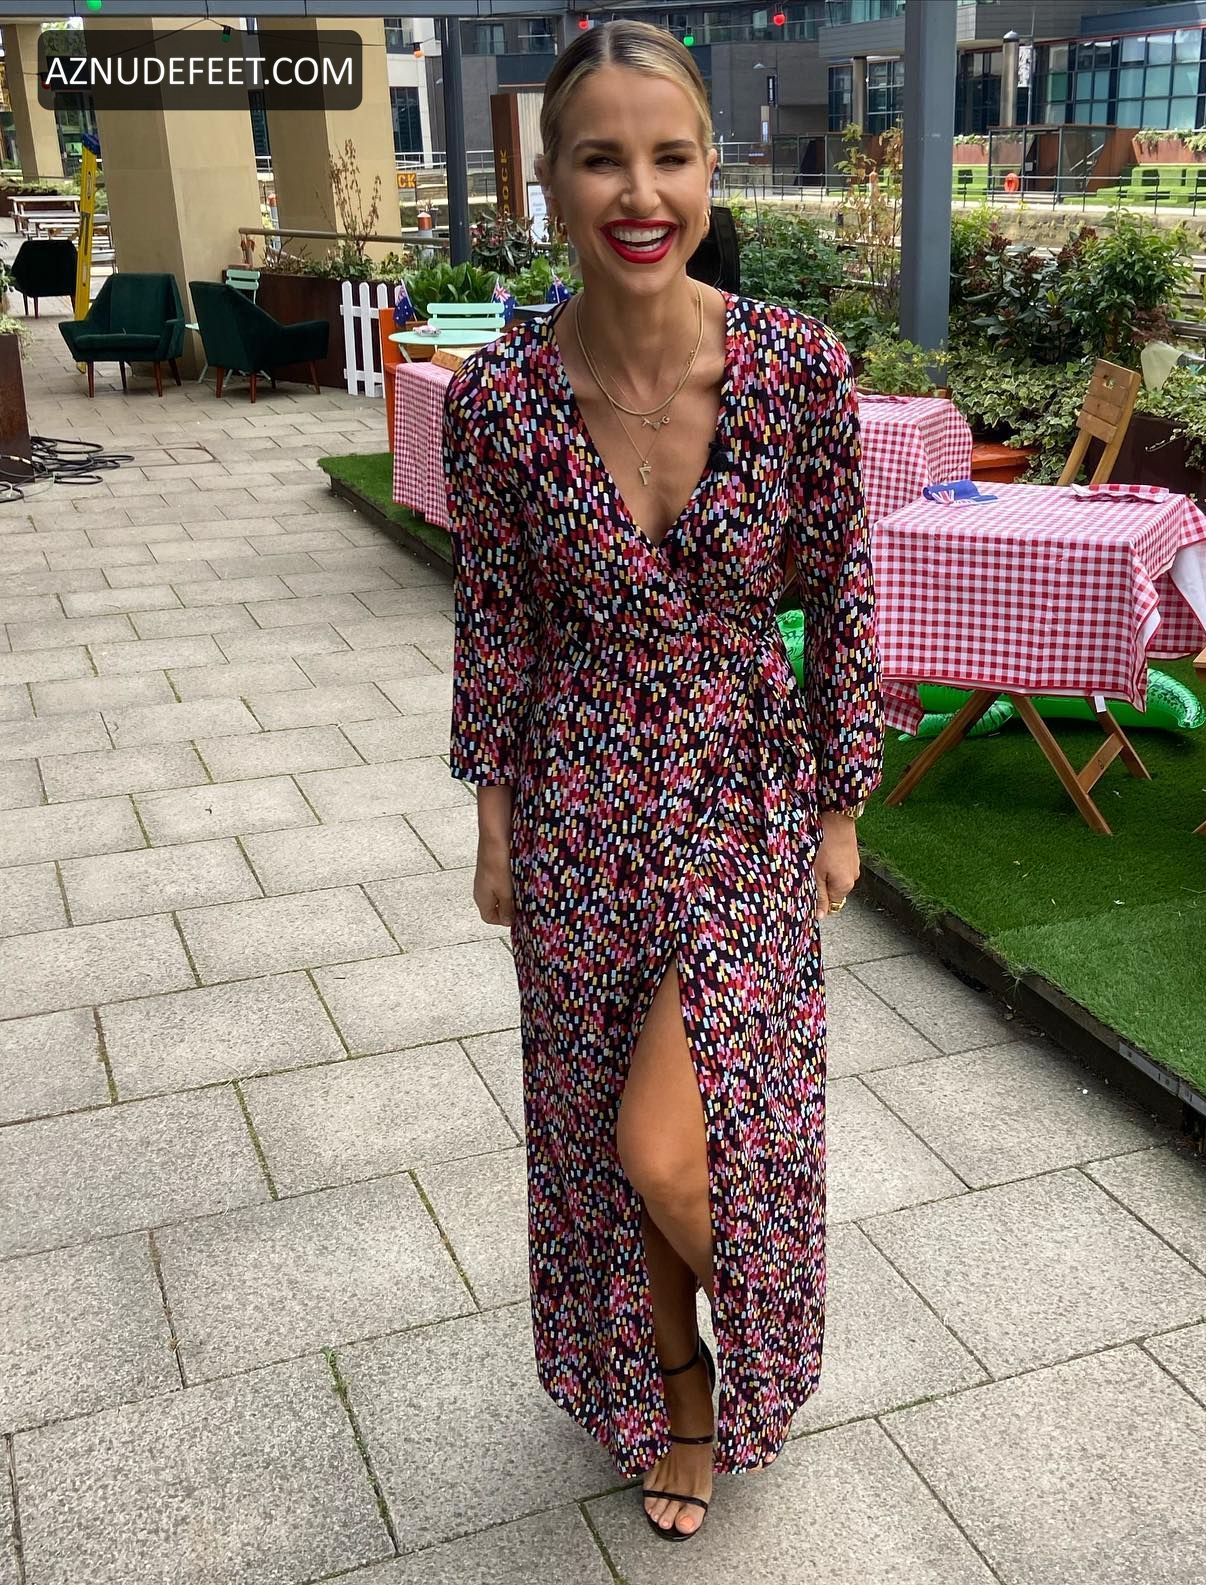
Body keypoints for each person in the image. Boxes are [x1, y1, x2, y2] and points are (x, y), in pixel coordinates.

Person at [442, 18, 883, 1543]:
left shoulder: (798, 372)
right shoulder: (499, 402)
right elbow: (496, 615)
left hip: (743, 800)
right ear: (551, 183)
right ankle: (681, 1391)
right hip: (576, 806)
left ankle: (756, 1335)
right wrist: (492, 817)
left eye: (671, 156)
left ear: (710, 170)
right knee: (602, 1138)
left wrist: (842, 804)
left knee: (672, 1140)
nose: (641, 193)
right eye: (602, 159)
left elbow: (844, 600)